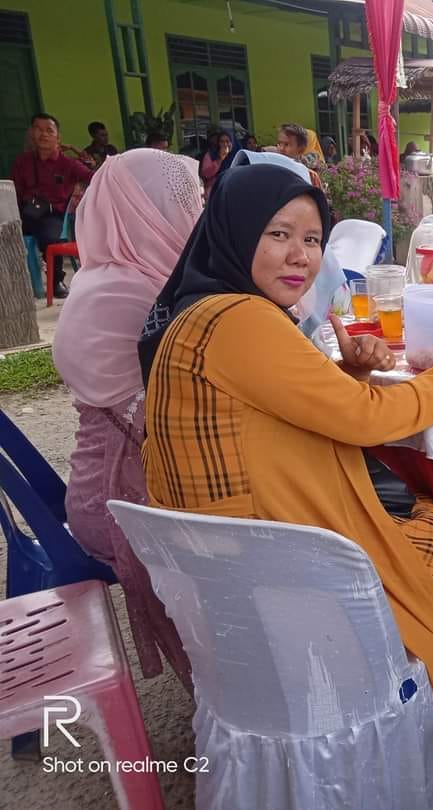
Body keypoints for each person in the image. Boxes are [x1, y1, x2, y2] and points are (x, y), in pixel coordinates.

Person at [137, 164, 433, 725]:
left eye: (313, 240)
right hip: (281, 568)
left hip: (228, 565)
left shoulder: (199, 312)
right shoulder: (241, 320)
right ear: (236, 231)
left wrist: (349, 376)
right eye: (279, 234)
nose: (300, 256)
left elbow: (269, 414)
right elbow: (366, 420)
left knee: (423, 516)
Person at [52, 149, 204, 689]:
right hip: (122, 506)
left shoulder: (110, 279)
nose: (196, 213)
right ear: (144, 211)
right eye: (184, 200)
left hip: (112, 486)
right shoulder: (135, 297)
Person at [11, 113, 94, 299]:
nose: (43, 134)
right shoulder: (22, 162)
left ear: (58, 137)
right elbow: (15, 191)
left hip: (53, 215)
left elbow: (93, 178)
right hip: (26, 212)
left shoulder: (69, 164)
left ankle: (56, 280)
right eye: (38, 129)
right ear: (31, 133)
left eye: (49, 130)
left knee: (50, 238)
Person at [275, 123, 323, 188]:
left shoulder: (310, 176)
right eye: (279, 143)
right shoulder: (271, 170)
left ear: (301, 149)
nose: (281, 148)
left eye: (287, 144)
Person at [199, 131, 231, 199]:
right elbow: (206, 174)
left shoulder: (238, 155)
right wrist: (220, 159)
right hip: (215, 191)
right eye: (222, 141)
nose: (225, 144)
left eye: (227, 141)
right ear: (218, 143)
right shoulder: (211, 155)